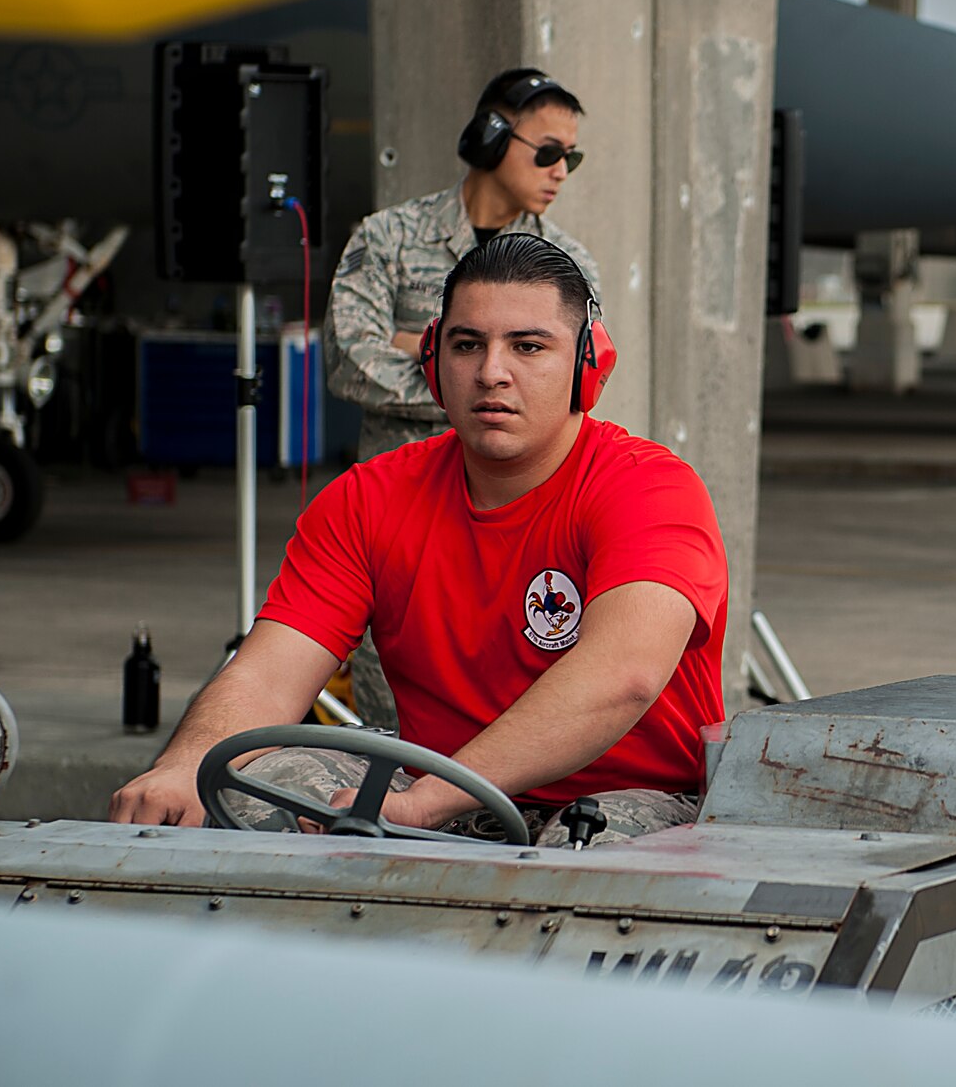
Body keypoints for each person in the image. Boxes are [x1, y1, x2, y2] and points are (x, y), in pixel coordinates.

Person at [112, 234, 727, 847]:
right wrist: (185, 768)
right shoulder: (368, 498)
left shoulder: (650, 490)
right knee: (245, 791)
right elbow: (270, 674)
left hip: (633, 801)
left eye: (528, 347)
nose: (492, 372)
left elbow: (622, 676)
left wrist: (423, 804)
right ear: (434, 361)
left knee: (579, 855)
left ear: (587, 364)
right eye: (467, 345)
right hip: (433, 788)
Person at [325, 68, 601, 725]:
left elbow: (575, 388)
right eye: (548, 151)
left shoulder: (568, 266)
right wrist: (501, 394)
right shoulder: (388, 238)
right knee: (397, 731)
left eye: (573, 156)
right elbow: (348, 361)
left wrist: (415, 346)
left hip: (521, 530)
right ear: (488, 139)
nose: (562, 170)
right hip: (403, 524)